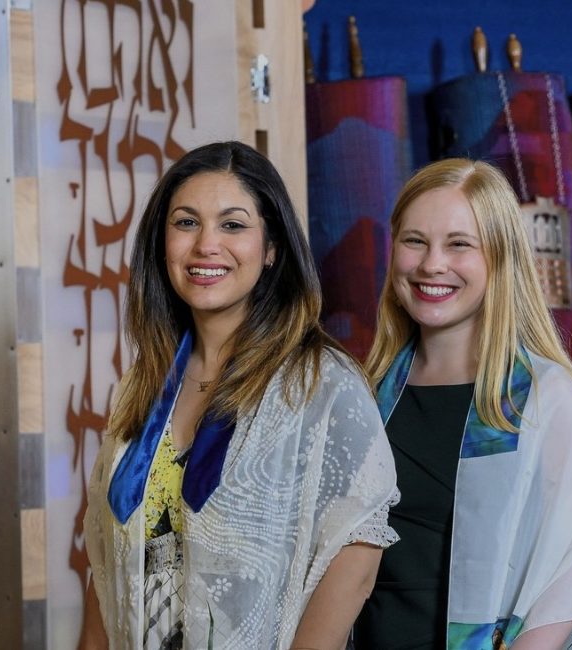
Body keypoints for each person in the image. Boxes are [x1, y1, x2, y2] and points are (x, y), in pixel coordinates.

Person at [80, 141, 399, 649]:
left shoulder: (320, 383)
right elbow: (106, 563)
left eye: (233, 225)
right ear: (162, 244)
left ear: (271, 248)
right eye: (186, 223)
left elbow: (355, 557)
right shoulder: (143, 386)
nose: (207, 245)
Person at [353, 159, 572, 649]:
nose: (431, 265)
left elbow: (567, 574)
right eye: (415, 241)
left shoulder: (544, 398)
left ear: (500, 257)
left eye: (459, 244)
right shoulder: (367, 393)